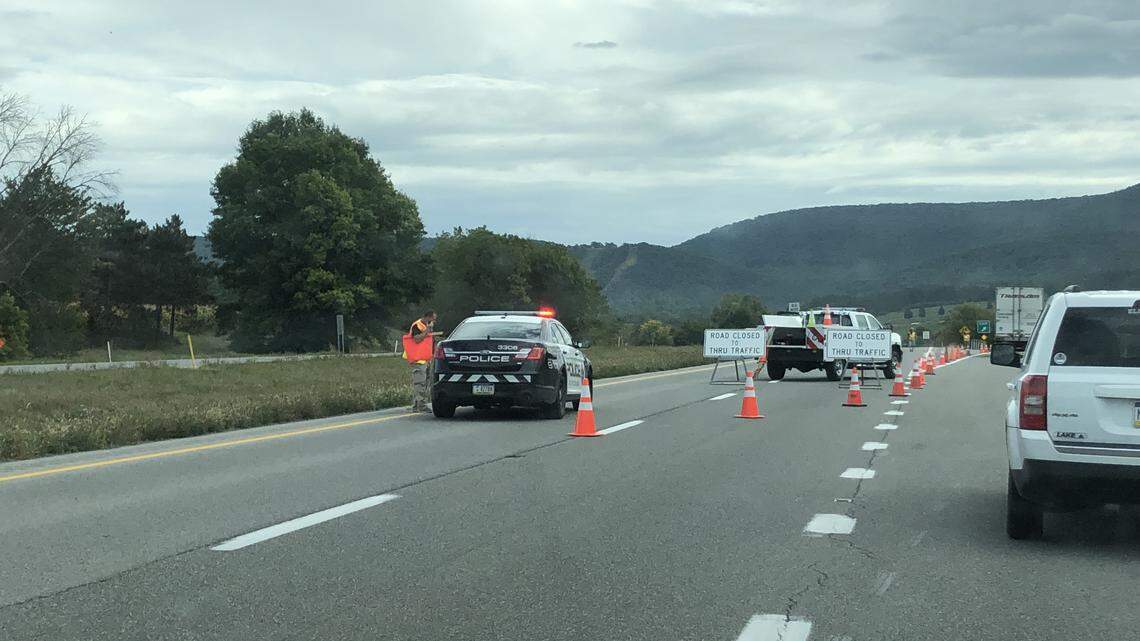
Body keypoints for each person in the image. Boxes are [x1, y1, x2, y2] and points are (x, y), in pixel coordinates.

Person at [407, 310, 437, 413]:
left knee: (424, 382)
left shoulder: (426, 327)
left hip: (426, 358)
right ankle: (421, 405)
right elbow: (416, 339)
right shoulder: (417, 325)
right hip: (418, 358)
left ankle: (416, 405)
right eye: (433, 319)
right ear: (428, 317)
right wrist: (427, 331)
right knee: (420, 382)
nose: (434, 321)